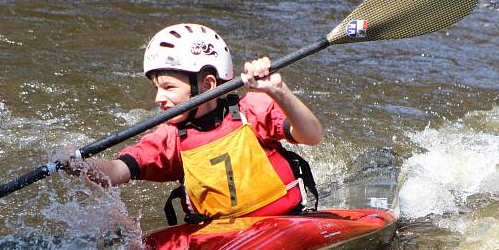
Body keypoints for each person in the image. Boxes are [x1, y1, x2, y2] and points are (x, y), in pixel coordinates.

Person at [66, 23, 323, 223]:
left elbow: (312, 135)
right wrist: (78, 164)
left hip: (284, 220)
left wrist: (279, 91)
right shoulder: (169, 138)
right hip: (216, 237)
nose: (159, 98)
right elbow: (116, 170)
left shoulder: (253, 110)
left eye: (168, 87)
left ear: (207, 85)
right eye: (157, 88)